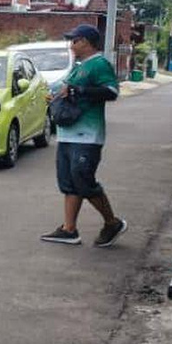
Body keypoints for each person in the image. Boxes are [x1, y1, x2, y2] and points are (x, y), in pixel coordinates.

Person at [40, 24, 127, 248]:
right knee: (69, 182)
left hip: (87, 136)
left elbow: (112, 91)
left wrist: (79, 91)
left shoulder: (99, 64)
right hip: (67, 135)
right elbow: (67, 89)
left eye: (74, 40)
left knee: (84, 180)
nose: (71, 45)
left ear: (86, 42)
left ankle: (112, 222)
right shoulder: (79, 67)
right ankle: (69, 229)